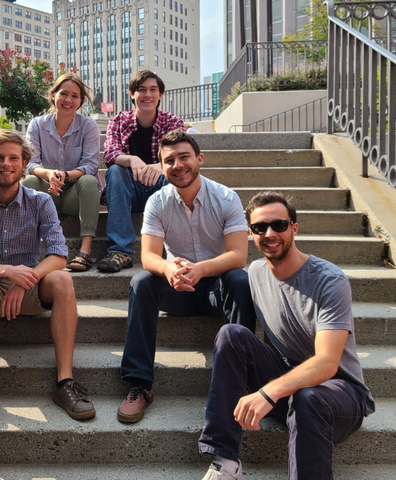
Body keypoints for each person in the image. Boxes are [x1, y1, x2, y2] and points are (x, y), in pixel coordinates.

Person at [197, 191, 375, 480]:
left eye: (278, 225)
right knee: (231, 334)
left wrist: (268, 392)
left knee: (308, 397)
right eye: (259, 228)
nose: (269, 233)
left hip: (339, 396)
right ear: (251, 234)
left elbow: (327, 364)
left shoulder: (329, 281)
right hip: (288, 386)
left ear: (294, 227)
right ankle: (226, 462)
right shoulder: (255, 272)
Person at [0, 129, 95, 430]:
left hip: (29, 289)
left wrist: (23, 280)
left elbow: (58, 255)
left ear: (24, 162)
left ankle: (64, 382)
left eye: (13, 158)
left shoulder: (40, 201)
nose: (6, 164)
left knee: (64, 281)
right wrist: (6, 271)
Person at [117, 129, 256, 423]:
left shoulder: (226, 197)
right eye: (169, 161)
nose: (178, 165)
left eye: (184, 157)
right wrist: (169, 269)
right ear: (162, 167)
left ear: (200, 159)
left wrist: (201, 269)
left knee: (240, 279)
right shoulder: (157, 202)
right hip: (177, 288)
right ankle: (140, 384)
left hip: (216, 288)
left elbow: (237, 255)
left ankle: (238, 381)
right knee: (141, 281)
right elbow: (149, 257)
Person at [98, 70, 185, 273]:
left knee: (175, 172)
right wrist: (132, 159)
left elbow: (181, 156)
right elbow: (109, 154)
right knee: (116, 171)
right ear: (132, 94)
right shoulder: (118, 121)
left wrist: (161, 165)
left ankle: (174, 249)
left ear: (160, 95)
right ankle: (120, 251)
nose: (147, 95)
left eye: (153, 90)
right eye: (141, 90)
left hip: (160, 190)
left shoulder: (172, 122)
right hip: (130, 191)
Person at [22, 73, 102, 271]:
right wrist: (49, 175)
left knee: (90, 181)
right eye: (63, 94)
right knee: (29, 182)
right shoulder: (37, 125)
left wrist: (65, 175)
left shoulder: (88, 125)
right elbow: (30, 163)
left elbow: (90, 165)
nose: (69, 100)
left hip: (77, 195)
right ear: (53, 95)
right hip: (49, 194)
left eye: (75, 96)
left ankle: (85, 250)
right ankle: (28, 249)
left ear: (80, 101)